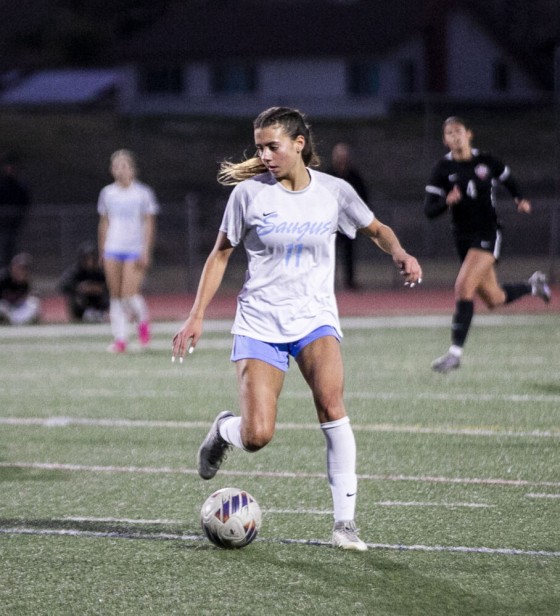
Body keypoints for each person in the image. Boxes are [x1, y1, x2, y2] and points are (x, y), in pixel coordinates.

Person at [172, 107, 422, 551]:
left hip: (315, 319)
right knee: (257, 436)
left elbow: (376, 228)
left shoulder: (333, 191)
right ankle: (224, 430)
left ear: (299, 143)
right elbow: (220, 255)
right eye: (259, 148)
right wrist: (196, 315)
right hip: (260, 322)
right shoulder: (248, 195)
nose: (264, 156)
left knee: (332, 406)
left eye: (273, 146)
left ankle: (345, 524)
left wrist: (399, 253)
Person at [424, 116, 551, 373]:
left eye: (458, 131)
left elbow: (508, 178)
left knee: (463, 287)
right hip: (462, 238)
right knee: (494, 298)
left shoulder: (486, 161)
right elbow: (429, 210)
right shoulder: (442, 168)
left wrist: (519, 198)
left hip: (488, 233)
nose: (455, 136)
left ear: (469, 134)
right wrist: (447, 201)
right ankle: (533, 286)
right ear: (445, 140)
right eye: (449, 133)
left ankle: (454, 354)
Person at [97, 149, 159, 353]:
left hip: (134, 249)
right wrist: (102, 249)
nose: (120, 170)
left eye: (124, 166)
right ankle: (120, 339)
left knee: (129, 295)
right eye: (116, 166)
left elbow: (149, 224)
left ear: (132, 169)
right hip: (113, 248)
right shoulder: (107, 193)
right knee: (115, 296)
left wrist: (146, 251)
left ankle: (143, 326)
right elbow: (104, 222)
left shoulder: (142, 193)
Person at [327, 142, 369, 290]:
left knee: (349, 253)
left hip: (349, 222)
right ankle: (327, 282)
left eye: (344, 156)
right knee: (329, 252)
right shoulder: (328, 175)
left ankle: (350, 282)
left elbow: (362, 198)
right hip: (331, 222)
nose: (342, 159)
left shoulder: (354, 177)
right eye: (339, 156)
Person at [59, 241, 109, 323]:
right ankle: (79, 317)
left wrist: (99, 288)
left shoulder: (100, 272)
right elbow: (63, 286)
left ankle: (104, 314)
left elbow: (111, 287)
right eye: (87, 259)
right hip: (82, 303)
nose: (90, 262)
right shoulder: (75, 271)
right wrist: (80, 288)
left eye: (92, 259)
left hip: (99, 303)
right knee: (76, 299)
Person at [0, 153, 31, 268]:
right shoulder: (2, 185)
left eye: (12, 167)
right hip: (2, 224)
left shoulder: (20, 186)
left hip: (15, 225)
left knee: (12, 249)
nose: (10, 169)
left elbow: (25, 202)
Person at [0, 252, 41, 325]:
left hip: (16, 308)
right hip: (5, 307)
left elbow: (24, 298)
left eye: (24, 269)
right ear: (13, 267)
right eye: (19, 268)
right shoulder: (3, 279)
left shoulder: (25, 282)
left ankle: (21, 321)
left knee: (34, 302)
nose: (22, 271)